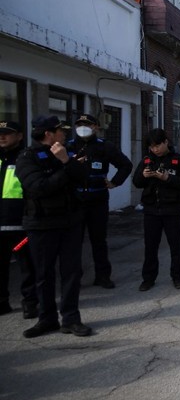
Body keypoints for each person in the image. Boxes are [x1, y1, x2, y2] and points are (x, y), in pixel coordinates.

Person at [15, 116, 91, 337]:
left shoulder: (65, 153)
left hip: (69, 222)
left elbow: (83, 177)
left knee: (71, 273)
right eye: (60, 131)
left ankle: (71, 319)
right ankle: (46, 319)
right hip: (41, 224)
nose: (64, 134)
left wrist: (67, 161)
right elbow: (39, 187)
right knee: (43, 275)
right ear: (48, 133)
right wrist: (65, 169)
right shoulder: (28, 157)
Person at [67, 114, 133, 289]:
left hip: (98, 200)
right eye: (79, 124)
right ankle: (74, 278)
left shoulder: (105, 147)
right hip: (75, 201)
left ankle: (103, 276)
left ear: (96, 127)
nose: (83, 127)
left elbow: (125, 165)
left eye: (87, 124)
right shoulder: (68, 147)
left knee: (99, 241)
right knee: (73, 242)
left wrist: (115, 182)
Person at [132, 128, 180, 292]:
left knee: (175, 246)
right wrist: (144, 175)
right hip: (151, 210)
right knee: (150, 246)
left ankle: (177, 277)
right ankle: (148, 279)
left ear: (166, 142)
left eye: (157, 145)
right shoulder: (146, 161)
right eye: (151, 147)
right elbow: (136, 182)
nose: (155, 149)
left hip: (172, 210)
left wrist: (167, 178)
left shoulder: (178, 160)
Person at [0, 121, 37, 318]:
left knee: (27, 267)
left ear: (20, 136)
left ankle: (30, 303)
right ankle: (2, 302)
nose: (2, 137)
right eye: (0, 134)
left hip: (20, 224)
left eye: (7, 133)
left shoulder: (26, 158)